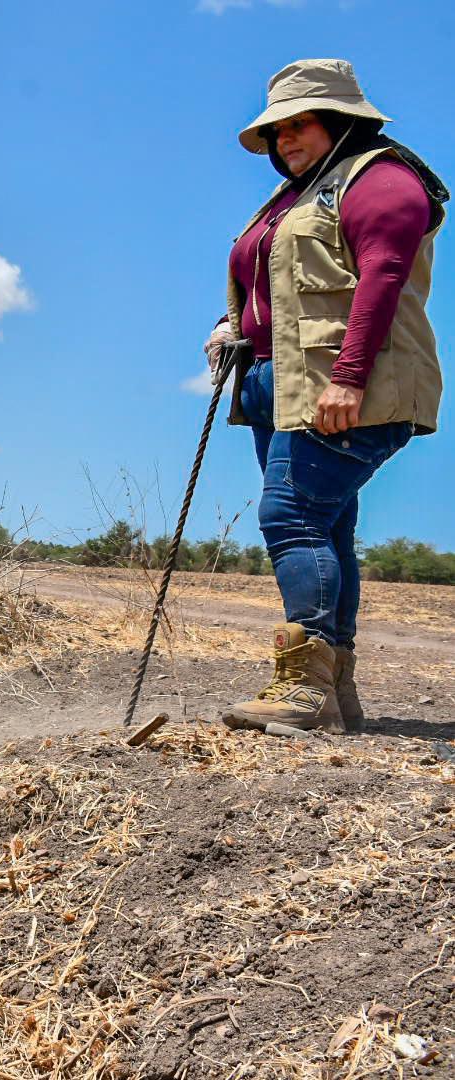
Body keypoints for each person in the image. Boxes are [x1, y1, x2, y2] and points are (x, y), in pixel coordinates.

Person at [206, 59, 446, 734]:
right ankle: (335, 698)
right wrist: (233, 326)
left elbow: (383, 276)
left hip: (342, 385)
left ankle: (301, 689)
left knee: (292, 516)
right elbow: (272, 286)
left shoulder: (383, 182)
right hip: (276, 382)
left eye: (299, 124)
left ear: (341, 118)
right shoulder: (299, 195)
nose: (285, 140)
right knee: (325, 524)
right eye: (276, 130)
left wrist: (349, 376)